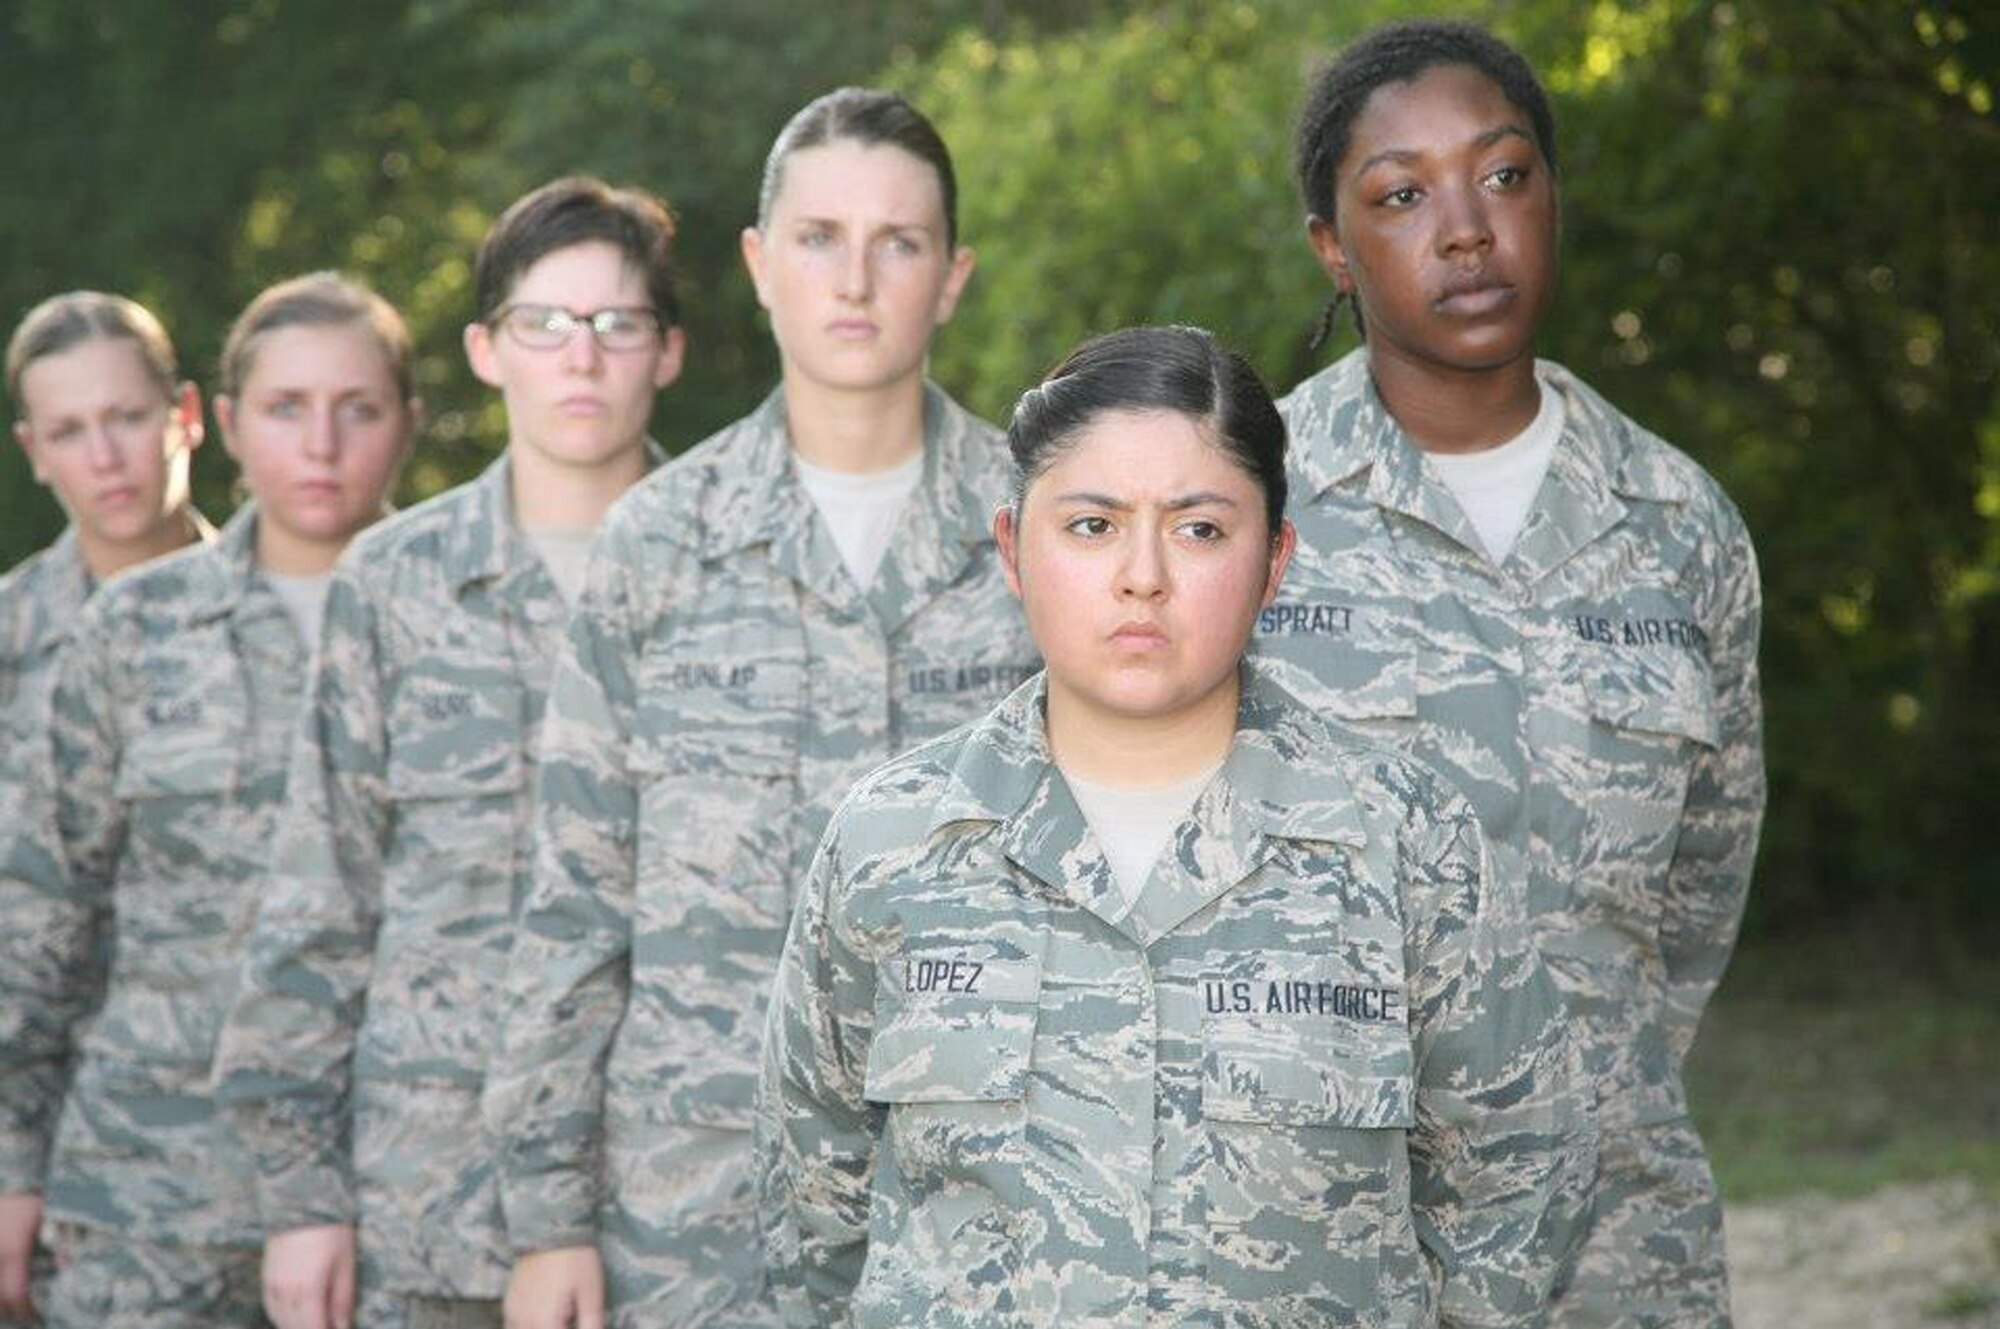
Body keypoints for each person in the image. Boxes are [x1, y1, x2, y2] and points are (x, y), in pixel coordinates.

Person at [755, 323, 1588, 1327]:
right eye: (1091, 525)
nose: (1140, 575)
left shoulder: (1407, 841)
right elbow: (818, 1200)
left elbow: (1509, 1188)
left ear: (1273, 560)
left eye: (1198, 528)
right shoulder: (893, 842)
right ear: (1012, 550)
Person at [485, 88, 1039, 1329]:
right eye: (817, 238)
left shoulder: (1043, 530)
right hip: (691, 1215)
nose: (855, 278)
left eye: (896, 243)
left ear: (950, 276)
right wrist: (545, 1222)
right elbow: (575, 897)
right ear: (757, 265)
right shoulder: (658, 543)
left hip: (992, 1204)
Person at [1266, 20, 1764, 1326]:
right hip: (1318, 1247)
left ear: (1552, 197)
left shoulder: (1676, 520)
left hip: (1620, 1252)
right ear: (1333, 244)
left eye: (1503, 175)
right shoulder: (1237, 509)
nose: (1466, 228)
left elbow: (1700, 890)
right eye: (1400, 195)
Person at [212, 177, 686, 1329]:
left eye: (615, 325)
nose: (580, 359)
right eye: (544, 325)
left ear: (667, 353)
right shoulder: (395, 584)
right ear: (485, 350)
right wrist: (301, 1198)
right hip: (432, 1204)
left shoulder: (734, 575)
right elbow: (320, 899)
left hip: (688, 1212)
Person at [0, 271, 416, 1328]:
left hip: (406, 1195)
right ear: (228, 423)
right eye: (286, 409)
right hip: (152, 1195)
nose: (320, 446)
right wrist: (11, 1159)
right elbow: (46, 911)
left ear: (408, 422)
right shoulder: (134, 629)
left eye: (355, 410)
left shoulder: (462, 621)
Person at [0, 291, 217, 1326]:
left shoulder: (312, 606)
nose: (106, 457)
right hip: (84, 1181)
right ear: (33, 452)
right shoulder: (8, 647)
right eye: (70, 432)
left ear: (185, 414)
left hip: (296, 1159)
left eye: (125, 418)